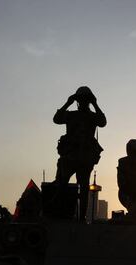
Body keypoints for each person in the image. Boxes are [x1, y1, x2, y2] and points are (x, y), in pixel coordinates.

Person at [53, 86, 106, 220]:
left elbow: (103, 122)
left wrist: (94, 104)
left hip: (83, 157)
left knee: (81, 187)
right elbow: (56, 119)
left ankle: (79, 217)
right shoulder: (72, 115)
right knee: (64, 184)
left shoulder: (90, 117)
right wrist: (68, 103)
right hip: (73, 155)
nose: (82, 102)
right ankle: (63, 213)